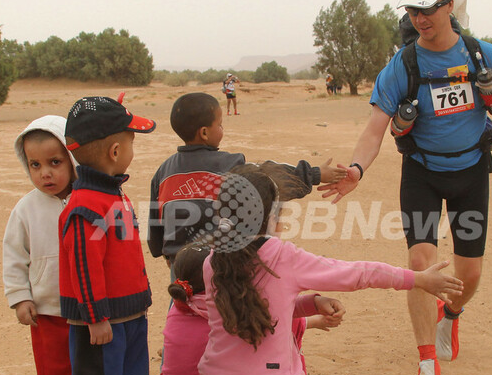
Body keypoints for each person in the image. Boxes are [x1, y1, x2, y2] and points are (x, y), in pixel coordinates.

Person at [319, 0, 492, 375]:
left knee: (469, 273)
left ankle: (451, 316)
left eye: (428, 8)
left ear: (448, 7)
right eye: (412, 10)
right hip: (421, 173)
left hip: (472, 172)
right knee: (422, 263)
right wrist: (356, 170)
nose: (420, 18)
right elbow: (374, 129)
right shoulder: (402, 66)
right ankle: (426, 368)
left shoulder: (482, 56)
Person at [199, 164, 463, 375]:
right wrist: (416, 279)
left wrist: (311, 303)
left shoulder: (214, 259)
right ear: (271, 218)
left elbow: (256, 308)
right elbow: (356, 274)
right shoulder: (281, 254)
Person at [58, 95, 173, 375]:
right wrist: (95, 317)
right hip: (101, 318)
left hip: (129, 311)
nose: (133, 152)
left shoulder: (112, 193)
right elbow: (82, 266)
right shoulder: (85, 205)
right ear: (114, 150)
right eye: (132, 144)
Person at [149, 242, 346, 375]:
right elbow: (271, 322)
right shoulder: (224, 308)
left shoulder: (178, 307)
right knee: (277, 328)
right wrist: (316, 320)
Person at [147, 92, 346, 263]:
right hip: (221, 266)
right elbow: (271, 179)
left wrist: (168, 255)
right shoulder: (231, 165)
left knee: (182, 309)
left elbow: (155, 236)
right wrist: (315, 174)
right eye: (220, 124)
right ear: (205, 133)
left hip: (181, 271)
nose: (222, 129)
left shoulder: (162, 173)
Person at [3, 115, 76, 375]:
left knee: (87, 369)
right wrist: (20, 298)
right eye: (35, 164)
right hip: (46, 309)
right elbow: (15, 257)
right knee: (53, 370)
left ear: (73, 159)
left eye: (55, 162)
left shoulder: (88, 201)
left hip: (87, 309)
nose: (45, 173)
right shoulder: (25, 209)